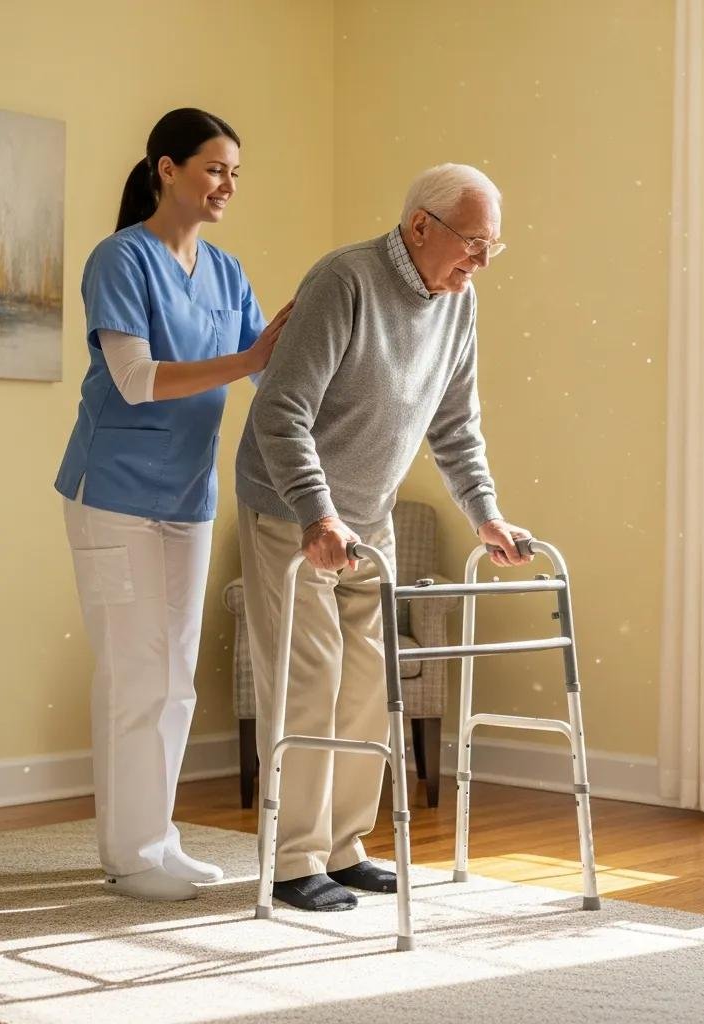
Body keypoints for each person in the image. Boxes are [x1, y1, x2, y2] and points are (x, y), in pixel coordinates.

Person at [235, 162, 531, 912]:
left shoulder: (457, 304)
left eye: (493, 248)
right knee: (309, 683)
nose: (482, 262)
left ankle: (342, 846)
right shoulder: (346, 280)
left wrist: (485, 512)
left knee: (369, 688)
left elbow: (455, 426)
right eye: (474, 243)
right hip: (292, 514)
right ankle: (292, 859)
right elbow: (280, 412)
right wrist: (315, 512)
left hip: (370, 519)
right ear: (420, 225)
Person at [54, 108, 292, 902]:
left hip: (188, 495)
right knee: (135, 675)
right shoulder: (119, 258)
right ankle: (129, 856)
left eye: (234, 173)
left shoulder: (226, 271)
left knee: (177, 680)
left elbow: (266, 373)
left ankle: (158, 839)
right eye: (214, 169)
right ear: (166, 168)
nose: (227, 185)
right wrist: (249, 358)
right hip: (114, 492)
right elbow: (135, 378)